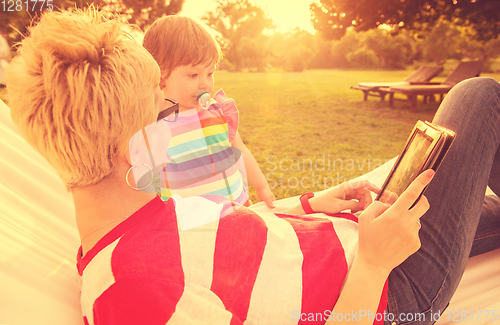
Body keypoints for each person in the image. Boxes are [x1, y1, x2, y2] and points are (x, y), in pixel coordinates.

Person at [6, 8, 500, 325]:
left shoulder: (138, 203)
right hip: (391, 294)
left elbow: (235, 230)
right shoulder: (132, 293)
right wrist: (373, 261)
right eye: (157, 115)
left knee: (481, 209)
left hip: (358, 236)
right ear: (124, 146)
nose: (173, 125)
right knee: (478, 97)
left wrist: (310, 204)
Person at [142, 16, 276, 208]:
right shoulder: (153, 125)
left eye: (210, 73)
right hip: (192, 224)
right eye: (193, 74)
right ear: (160, 72)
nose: (205, 83)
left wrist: (261, 186)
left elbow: (241, 152)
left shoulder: (219, 113)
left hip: (236, 210)